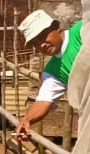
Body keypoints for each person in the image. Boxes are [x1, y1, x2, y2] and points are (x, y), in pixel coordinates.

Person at [14, 8, 83, 141]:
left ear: (56, 27)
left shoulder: (81, 32)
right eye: (35, 43)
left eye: (42, 37)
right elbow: (44, 101)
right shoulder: (52, 71)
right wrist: (27, 120)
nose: (41, 45)